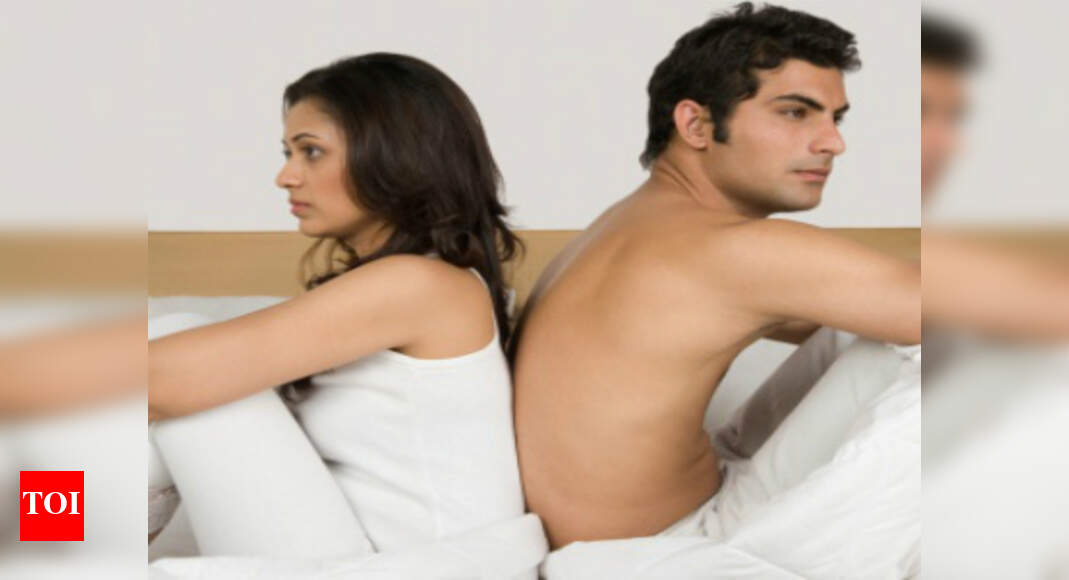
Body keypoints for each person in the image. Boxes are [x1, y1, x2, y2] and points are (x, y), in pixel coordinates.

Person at [511, 3, 921, 577]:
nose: (832, 142)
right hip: (674, 550)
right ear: (696, 125)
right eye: (796, 112)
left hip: (666, 512)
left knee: (873, 325)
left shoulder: (626, 228)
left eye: (836, 119)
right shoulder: (730, 250)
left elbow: (834, 316)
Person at [148, 53, 531, 565]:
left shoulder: (421, 284)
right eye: (289, 153)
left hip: (412, 569)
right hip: (369, 559)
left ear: (395, 156)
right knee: (156, 377)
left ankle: (53, 546)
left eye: (311, 152)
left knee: (173, 360)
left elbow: (167, 379)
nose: (286, 176)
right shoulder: (415, 282)